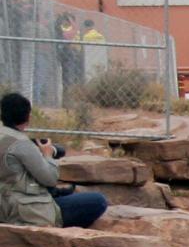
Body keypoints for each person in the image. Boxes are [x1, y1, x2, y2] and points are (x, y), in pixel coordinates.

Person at [0, 91, 108, 229]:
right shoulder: (21, 144)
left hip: (4, 206)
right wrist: (48, 155)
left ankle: (56, 194)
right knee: (97, 201)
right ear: (28, 117)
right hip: (26, 212)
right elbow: (50, 178)